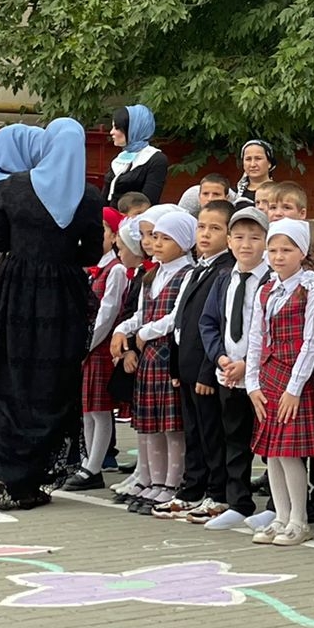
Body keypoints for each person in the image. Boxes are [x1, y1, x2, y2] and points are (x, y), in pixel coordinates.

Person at [0, 118, 105, 509]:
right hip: (62, 297)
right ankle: (31, 480)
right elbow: (92, 253)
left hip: (13, 291)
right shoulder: (88, 195)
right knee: (51, 383)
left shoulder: (14, 185)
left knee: (7, 376)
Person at [247, 218, 314, 547]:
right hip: (269, 376)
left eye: (287, 250)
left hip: (294, 378)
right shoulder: (266, 289)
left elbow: (312, 342)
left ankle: (299, 519)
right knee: (273, 454)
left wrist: (294, 389)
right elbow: (256, 337)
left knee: (290, 454)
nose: (278, 256)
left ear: (302, 252)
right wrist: (252, 384)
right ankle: (280, 516)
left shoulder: (312, 291)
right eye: (273, 250)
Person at [197, 205, 271, 531]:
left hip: (262, 376)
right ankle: (238, 502)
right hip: (229, 374)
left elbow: (272, 330)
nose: (246, 244)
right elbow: (209, 322)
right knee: (234, 440)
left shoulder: (271, 280)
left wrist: (249, 364)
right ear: (228, 241)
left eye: (254, 237)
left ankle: (278, 506)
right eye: (239, 237)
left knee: (271, 443)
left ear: (266, 241)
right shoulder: (224, 279)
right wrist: (220, 357)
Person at [119, 207, 197, 513]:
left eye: (165, 238)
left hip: (168, 354)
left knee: (171, 426)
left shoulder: (187, 273)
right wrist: (123, 330)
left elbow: (177, 316)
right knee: (150, 424)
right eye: (155, 236)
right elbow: (141, 313)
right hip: (149, 357)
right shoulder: (152, 275)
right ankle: (152, 480)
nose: (156, 243)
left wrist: (146, 331)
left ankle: (171, 482)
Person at [160, 200, 235, 521]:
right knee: (193, 431)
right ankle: (192, 488)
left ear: (229, 235)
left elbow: (215, 326)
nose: (205, 234)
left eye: (215, 228)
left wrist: (207, 371)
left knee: (211, 433)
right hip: (187, 366)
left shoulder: (225, 271)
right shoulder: (197, 268)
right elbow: (181, 320)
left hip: (207, 369)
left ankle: (217, 493)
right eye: (202, 227)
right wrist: (175, 365)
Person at [104, 105, 168, 205]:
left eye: (117, 128)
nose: (111, 132)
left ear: (134, 129)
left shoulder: (156, 159)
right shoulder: (119, 158)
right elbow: (105, 197)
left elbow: (147, 202)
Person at [235, 139, 275, 205]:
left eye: (258, 158)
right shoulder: (233, 194)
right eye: (248, 159)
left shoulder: (280, 192)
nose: (253, 164)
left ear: (269, 163)